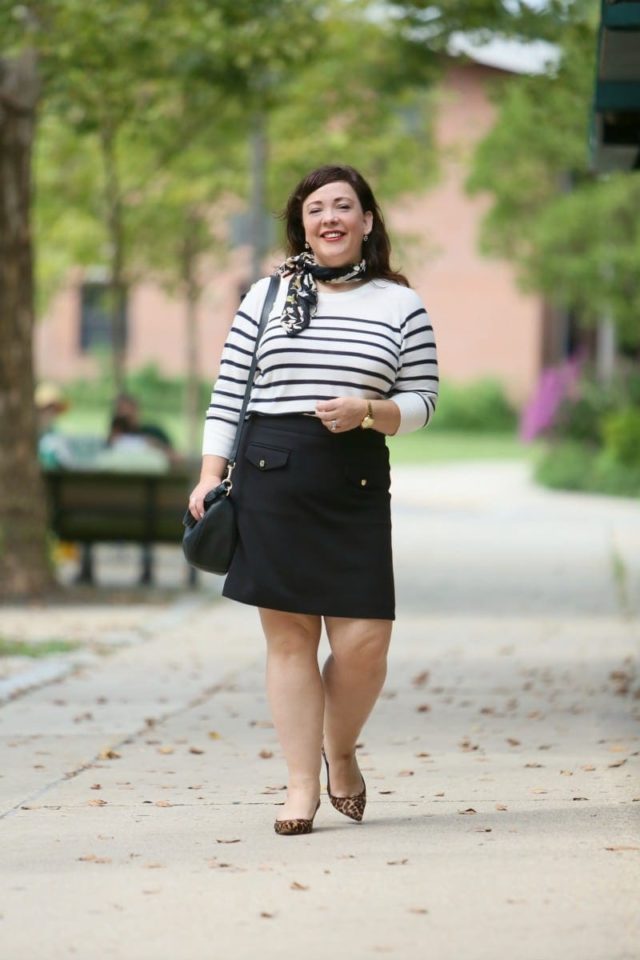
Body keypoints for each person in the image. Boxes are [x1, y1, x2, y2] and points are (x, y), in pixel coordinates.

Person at [188, 164, 439, 835]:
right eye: (316, 208)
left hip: (354, 477)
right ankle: (301, 787)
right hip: (272, 470)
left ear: (366, 221)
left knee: (364, 644)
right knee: (291, 638)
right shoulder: (268, 296)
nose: (329, 218)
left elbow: (423, 402)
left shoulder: (400, 304)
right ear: (302, 224)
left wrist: (369, 409)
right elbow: (229, 390)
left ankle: (340, 749)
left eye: (343, 207)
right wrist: (210, 471)